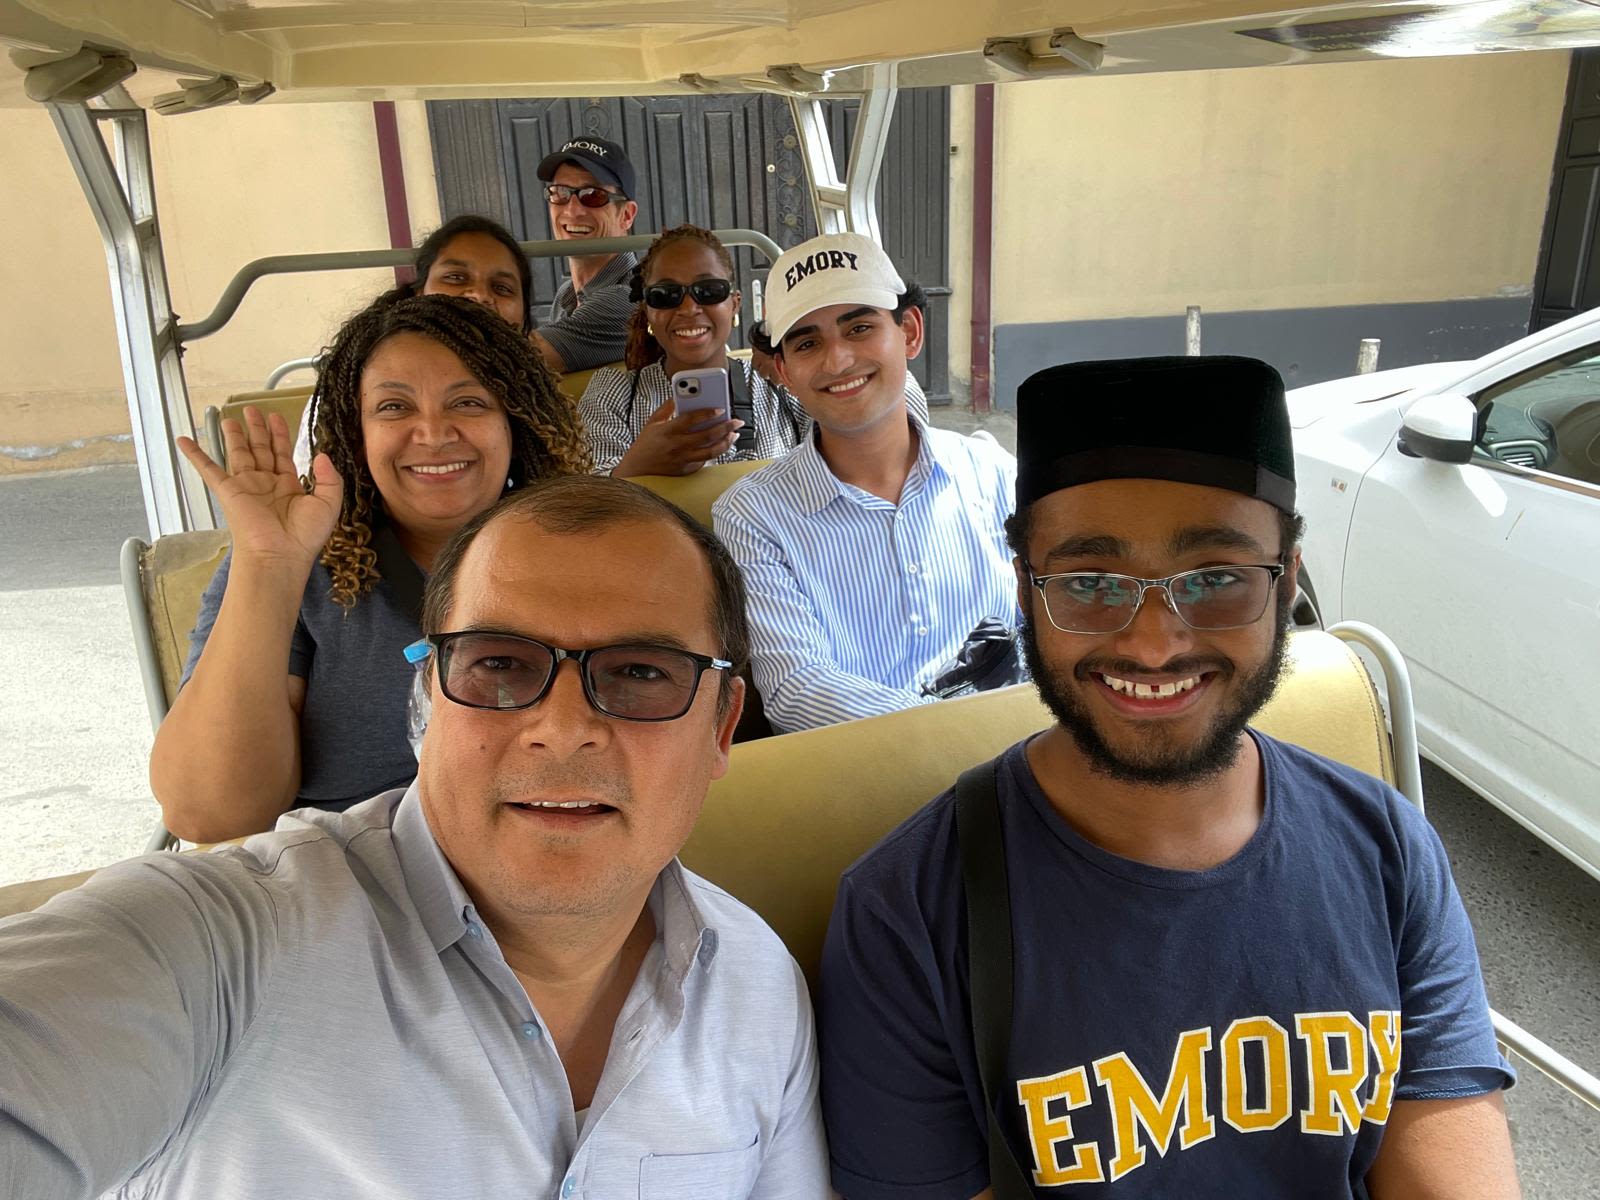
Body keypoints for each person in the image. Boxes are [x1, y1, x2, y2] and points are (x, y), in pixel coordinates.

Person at [0, 475, 829, 1200]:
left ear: (722, 726)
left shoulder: (756, 988)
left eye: (641, 672)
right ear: (429, 701)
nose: (564, 729)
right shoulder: (227, 946)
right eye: (500, 664)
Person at [817, 356, 1520, 1199]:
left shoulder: (1388, 849)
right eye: (1089, 584)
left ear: (1287, 580)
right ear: (1026, 593)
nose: (1154, 643)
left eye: (1216, 578)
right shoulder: (908, 914)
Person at [153, 294, 590, 845]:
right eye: (394, 407)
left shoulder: (584, 556)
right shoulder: (299, 564)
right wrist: (269, 566)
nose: (433, 433)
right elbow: (208, 814)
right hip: (349, 889)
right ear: (357, 435)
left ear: (515, 424)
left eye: (469, 403)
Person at [712, 231, 1019, 733]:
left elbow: (1054, 623)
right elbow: (797, 688)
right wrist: (964, 735)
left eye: (858, 328)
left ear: (910, 332)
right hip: (877, 781)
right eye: (808, 342)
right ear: (784, 371)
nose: (838, 360)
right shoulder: (752, 515)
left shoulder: (992, 472)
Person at [584, 224, 932, 478]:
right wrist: (634, 469)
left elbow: (894, 415)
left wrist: (788, 347)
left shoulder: (783, 380)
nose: (689, 308)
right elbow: (586, 513)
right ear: (648, 311)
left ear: (734, 304)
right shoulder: (614, 394)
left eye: (709, 290)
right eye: (665, 295)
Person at [292, 213, 535, 473]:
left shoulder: (534, 393)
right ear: (419, 292)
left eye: (502, 287)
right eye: (456, 277)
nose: (479, 295)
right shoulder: (352, 384)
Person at [531, 136, 642, 373]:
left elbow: (512, 362)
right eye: (560, 193)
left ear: (627, 215)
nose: (572, 211)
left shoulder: (628, 299)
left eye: (593, 195)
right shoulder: (566, 294)